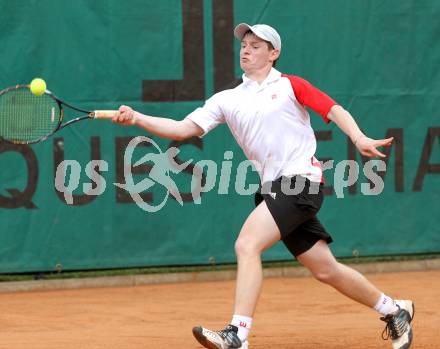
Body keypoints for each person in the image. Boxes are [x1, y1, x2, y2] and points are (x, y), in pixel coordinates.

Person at [113, 23, 414, 349]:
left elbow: (333, 109)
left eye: (256, 45)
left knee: (247, 245)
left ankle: (237, 334)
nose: (246, 49)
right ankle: (395, 310)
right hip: (274, 189)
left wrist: (357, 137)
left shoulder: (289, 85)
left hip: (302, 184)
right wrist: (138, 118)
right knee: (325, 270)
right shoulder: (227, 99)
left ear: (274, 53)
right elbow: (183, 128)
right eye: (244, 44)